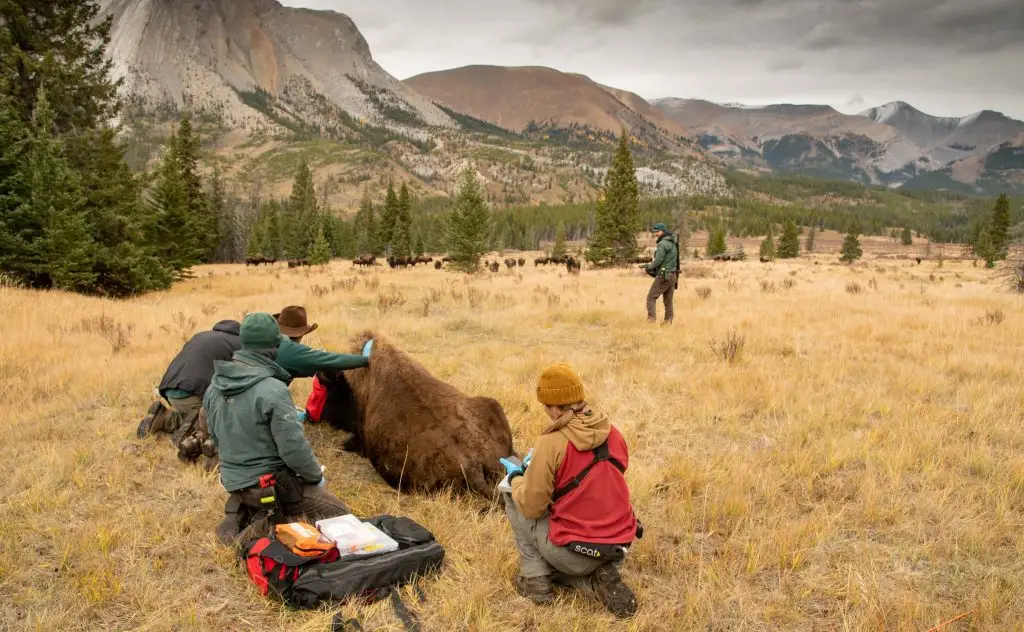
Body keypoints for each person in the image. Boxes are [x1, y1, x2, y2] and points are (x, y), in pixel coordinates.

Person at [204, 313, 359, 545]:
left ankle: (244, 508)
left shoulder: (214, 386)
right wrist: (315, 477)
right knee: (343, 518)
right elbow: (293, 449)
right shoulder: (273, 390)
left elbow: (214, 435)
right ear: (275, 346)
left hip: (232, 480)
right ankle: (262, 526)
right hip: (267, 485)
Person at [501, 364, 639, 619]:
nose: (544, 410)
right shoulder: (613, 432)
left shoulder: (551, 442)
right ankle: (597, 577)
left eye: (544, 404)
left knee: (510, 494)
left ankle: (536, 580)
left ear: (555, 407)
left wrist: (518, 477)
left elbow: (532, 507)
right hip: (618, 548)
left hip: (576, 553)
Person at [137, 320, 241, 438]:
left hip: (170, 391)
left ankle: (165, 417)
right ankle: (189, 426)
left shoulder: (201, 335)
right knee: (229, 421)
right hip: (193, 395)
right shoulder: (239, 344)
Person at [274, 306, 370, 378]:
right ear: (301, 334)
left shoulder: (270, 343)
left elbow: (297, 368)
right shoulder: (291, 350)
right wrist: (368, 360)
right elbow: (334, 360)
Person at [641, 223, 679, 325]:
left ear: (663, 231)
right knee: (668, 301)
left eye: (657, 232)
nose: (656, 234)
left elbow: (658, 261)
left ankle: (651, 322)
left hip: (664, 275)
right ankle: (668, 322)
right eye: (655, 232)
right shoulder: (673, 242)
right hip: (673, 275)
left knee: (651, 298)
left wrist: (648, 267)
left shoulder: (663, 244)